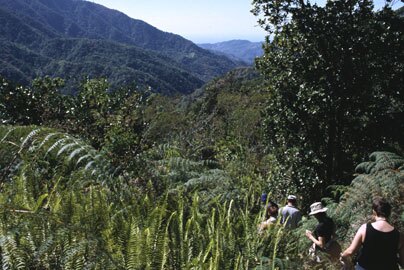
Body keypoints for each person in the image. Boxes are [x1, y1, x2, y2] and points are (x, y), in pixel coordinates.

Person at [340, 197, 404, 270]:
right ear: (389, 213)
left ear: (374, 212)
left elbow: (351, 251)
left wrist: (343, 256)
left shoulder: (365, 228)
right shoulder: (399, 235)